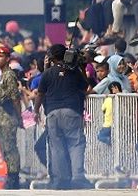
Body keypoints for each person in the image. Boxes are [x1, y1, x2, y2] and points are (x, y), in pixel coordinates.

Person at [34, 44, 91, 189]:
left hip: (52, 113)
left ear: (51, 57)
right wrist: (81, 67)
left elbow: (40, 94)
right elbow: (85, 87)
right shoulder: (74, 71)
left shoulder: (47, 73)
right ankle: (78, 177)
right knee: (75, 144)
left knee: (56, 147)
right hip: (71, 111)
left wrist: (35, 111)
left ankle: (60, 180)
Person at [0, 46, 21, 189]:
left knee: (10, 148)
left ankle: (14, 178)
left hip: (8, 115)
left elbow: (15, 97)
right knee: (5, 148)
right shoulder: (1, 76)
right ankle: (10, 175)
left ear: (8, 58)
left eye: (1, 56)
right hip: (1, 116)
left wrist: (18, 116)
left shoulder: (9, 75)